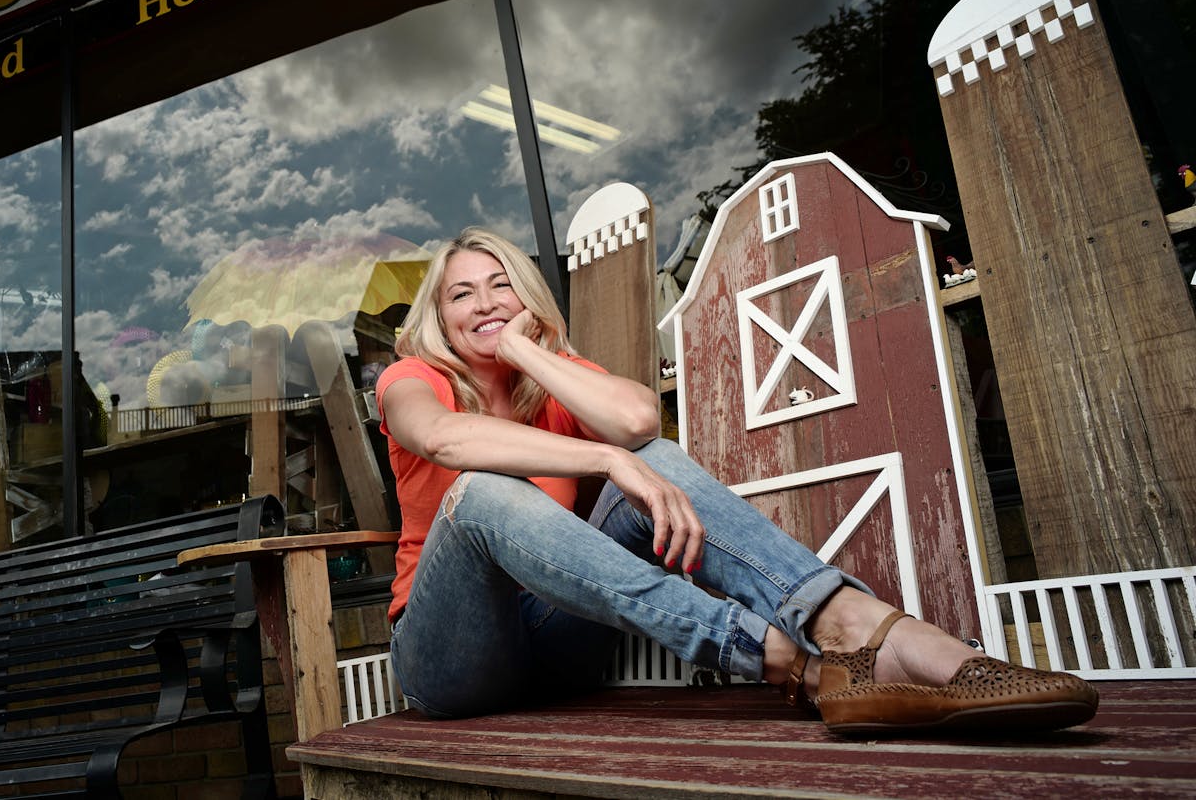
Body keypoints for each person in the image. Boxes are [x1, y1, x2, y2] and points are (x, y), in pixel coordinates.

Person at [375, 227, 1098, 735]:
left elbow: (635, 423)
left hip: (561, 641)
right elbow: (443, 439)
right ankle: (771, 656)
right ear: (438, 318)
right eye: (462, 295)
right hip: (452, 660)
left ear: (529, 298)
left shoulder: (552, 379)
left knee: (652, 460)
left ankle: (856, 627)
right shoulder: (414, 379)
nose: (486, 303)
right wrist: (603, 462)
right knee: (485, 493)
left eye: (502, 285)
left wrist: (531, 358)